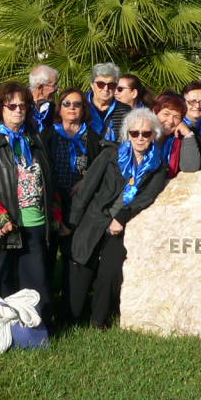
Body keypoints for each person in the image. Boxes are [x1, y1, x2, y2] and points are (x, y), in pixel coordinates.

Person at [68, 108, 168, 328]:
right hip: (96, 217)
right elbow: (87, 189)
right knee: (81, 263)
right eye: (135, 133)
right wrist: (73, 222)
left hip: (125, 224)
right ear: (127, 134)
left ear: (154, 135)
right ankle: (73, 317)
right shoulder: (110, 155)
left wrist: (121, 217)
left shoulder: (158, 166)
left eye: (146, 133)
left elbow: (148, 196)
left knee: (110, 272)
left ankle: (98, 321)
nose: (140, 138)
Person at [0, 82, 55, 321]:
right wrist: (1, 217)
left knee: (36, 284)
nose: (18, 110)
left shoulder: (34, 139)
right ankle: (3, 330)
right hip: (4, 227)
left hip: (35, 222)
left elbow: (49, 179)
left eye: (23, 105)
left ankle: (35, 329)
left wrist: (54, 216)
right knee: (3, 285)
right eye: (12, 105)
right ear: (1, 108)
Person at [41, 86, 105, 320]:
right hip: (51, 203)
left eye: (76, 104)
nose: (71, 108)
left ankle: (70, 307)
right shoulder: (49, 134)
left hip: (80, 205)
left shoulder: (93, 137)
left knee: (74, 257)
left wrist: (86, 181)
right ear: (60, 108)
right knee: (47, 256)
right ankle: (45, 307)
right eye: (66, 104)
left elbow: (101, 168)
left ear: (83, 108)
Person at [152, 92, 200, 178]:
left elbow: (190, 168)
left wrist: (188, 134)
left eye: (176, 117)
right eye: (166, 114)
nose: (171, 121)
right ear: (155, 113)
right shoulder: (141, 134)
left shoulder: (178, 140)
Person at [86, 62, 131, 142]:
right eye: (101, 84)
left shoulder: (125, 111)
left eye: (111, 85)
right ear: (92, 85)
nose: (106, 89)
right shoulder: (80, 105)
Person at [29, 64, 60, 132]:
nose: (57, 88)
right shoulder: (22, 106)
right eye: (54, 85)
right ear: (41, 88)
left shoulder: (54, 109)